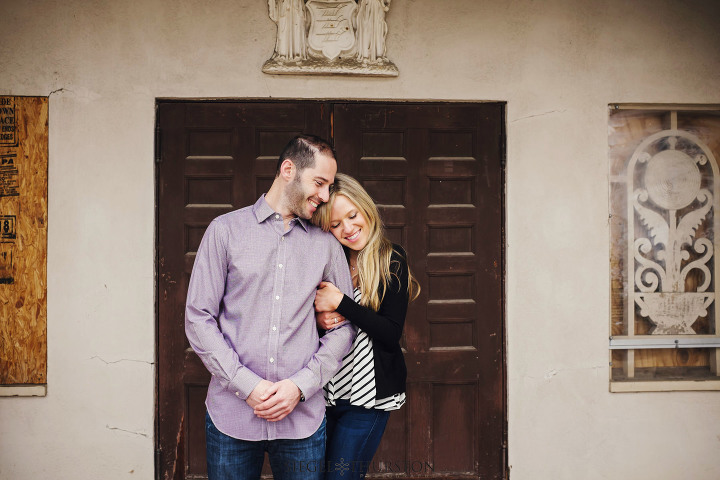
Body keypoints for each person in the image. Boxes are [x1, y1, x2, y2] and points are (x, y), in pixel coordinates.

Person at [185, 135, 355, 480]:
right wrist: (245, 384)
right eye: (319, 183)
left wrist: (300, 386)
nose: (325, 196)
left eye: (329, 186)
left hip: (302, 421)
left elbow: (344, 327)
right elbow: (198, 318)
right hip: (231, 416)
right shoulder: (224, 232)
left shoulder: (326, 245)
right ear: (288, 170)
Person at [311, 173, 420, 480]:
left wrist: (341, 302)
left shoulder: (390, 259)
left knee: (341, 477)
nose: (347, 228)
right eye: (335, 224)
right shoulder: (332, 261)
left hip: (366, 400)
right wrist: (321, 320)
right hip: (326, 393)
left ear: (366, 208)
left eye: (352, 215)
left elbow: (389, 333)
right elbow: (308, 318)